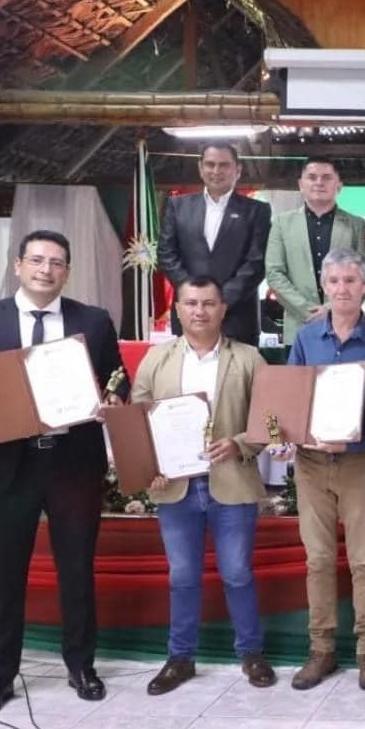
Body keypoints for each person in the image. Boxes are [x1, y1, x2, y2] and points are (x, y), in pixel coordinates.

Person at [0, 230, 126, 718]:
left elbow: (117, 380)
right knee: (2, 574)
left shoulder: (93, 321)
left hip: (72, 462)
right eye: (37, 260)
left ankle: (81, 665)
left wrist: (112, 400)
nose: (46, 270)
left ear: (67, 272)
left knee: (77, 568)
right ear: (18, 265)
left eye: (57, 262)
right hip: (5, 464)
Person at [132, 276, 274, 695]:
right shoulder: (157, 359)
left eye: (208, 303)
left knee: (237, 573)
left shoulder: (248, 358)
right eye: (191, 303)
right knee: (182, 575)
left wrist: (240, 443)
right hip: (175, 486)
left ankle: (251, 653)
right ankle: (180, 657)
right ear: (178, 309)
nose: (200, 311)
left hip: (231, 483)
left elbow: (270, 420)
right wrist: (149, 465)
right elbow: (137, 420)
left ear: (222, 309)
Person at [278, 250, 365, 691]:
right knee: (319, 560)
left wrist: (357, 434)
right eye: (334, 281)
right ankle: (321, 649)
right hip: (311, 463)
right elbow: (292, 396)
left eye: (350, 280)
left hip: (360, 460)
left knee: (364, 560)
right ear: (323, 287)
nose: (342, 289)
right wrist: (292, 435)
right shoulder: (307, 338)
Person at [157, 142, 273, 346]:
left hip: (238, 319)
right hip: (189, 318)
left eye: (224, 165)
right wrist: (195, 299)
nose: (216, 171)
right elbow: (166, 254)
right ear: (200, 168)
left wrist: (219, 301)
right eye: (210, 164)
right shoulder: (178, 206)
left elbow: (257, 261)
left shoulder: (257, 210)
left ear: (237, 170)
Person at [265, 156, 365, 346]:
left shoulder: (356, 225)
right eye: (312, 177)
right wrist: (308, 310)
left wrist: (330, 308)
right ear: (301, 184)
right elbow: (274, 273)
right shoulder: (281, 223)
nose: (319, 182)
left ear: (339, 186)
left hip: (346, 326)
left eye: (327, 177)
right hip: (298, 325)